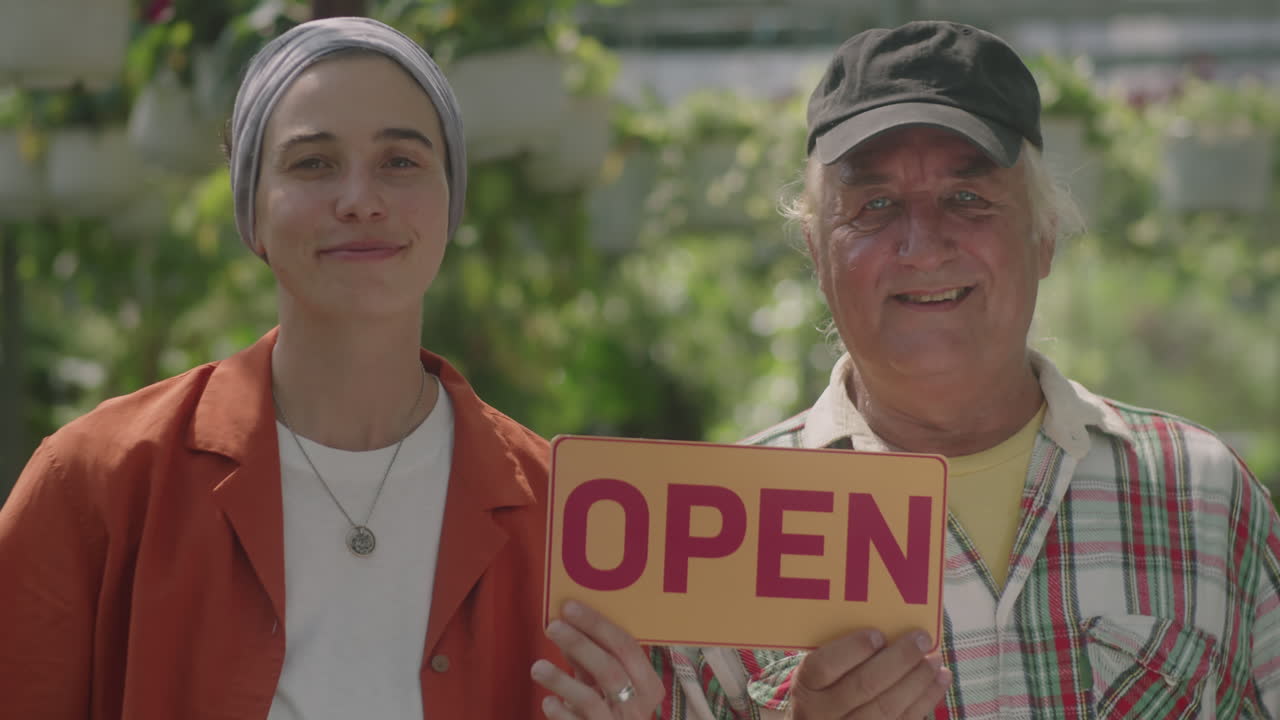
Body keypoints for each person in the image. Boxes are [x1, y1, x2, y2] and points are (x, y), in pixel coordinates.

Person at [0, 16, 660, 720]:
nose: (360, 200)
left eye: (400, 162)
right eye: (312, 163)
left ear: (450, 202)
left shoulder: (568, 521)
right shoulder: (97, 480)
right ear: (250, 211)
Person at [646, 20, 1280, 719]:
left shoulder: (1201, 495)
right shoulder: (718, 533)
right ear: (816, 250)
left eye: (968, 199)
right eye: (875, 205)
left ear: (1043, 236)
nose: (922, 246)